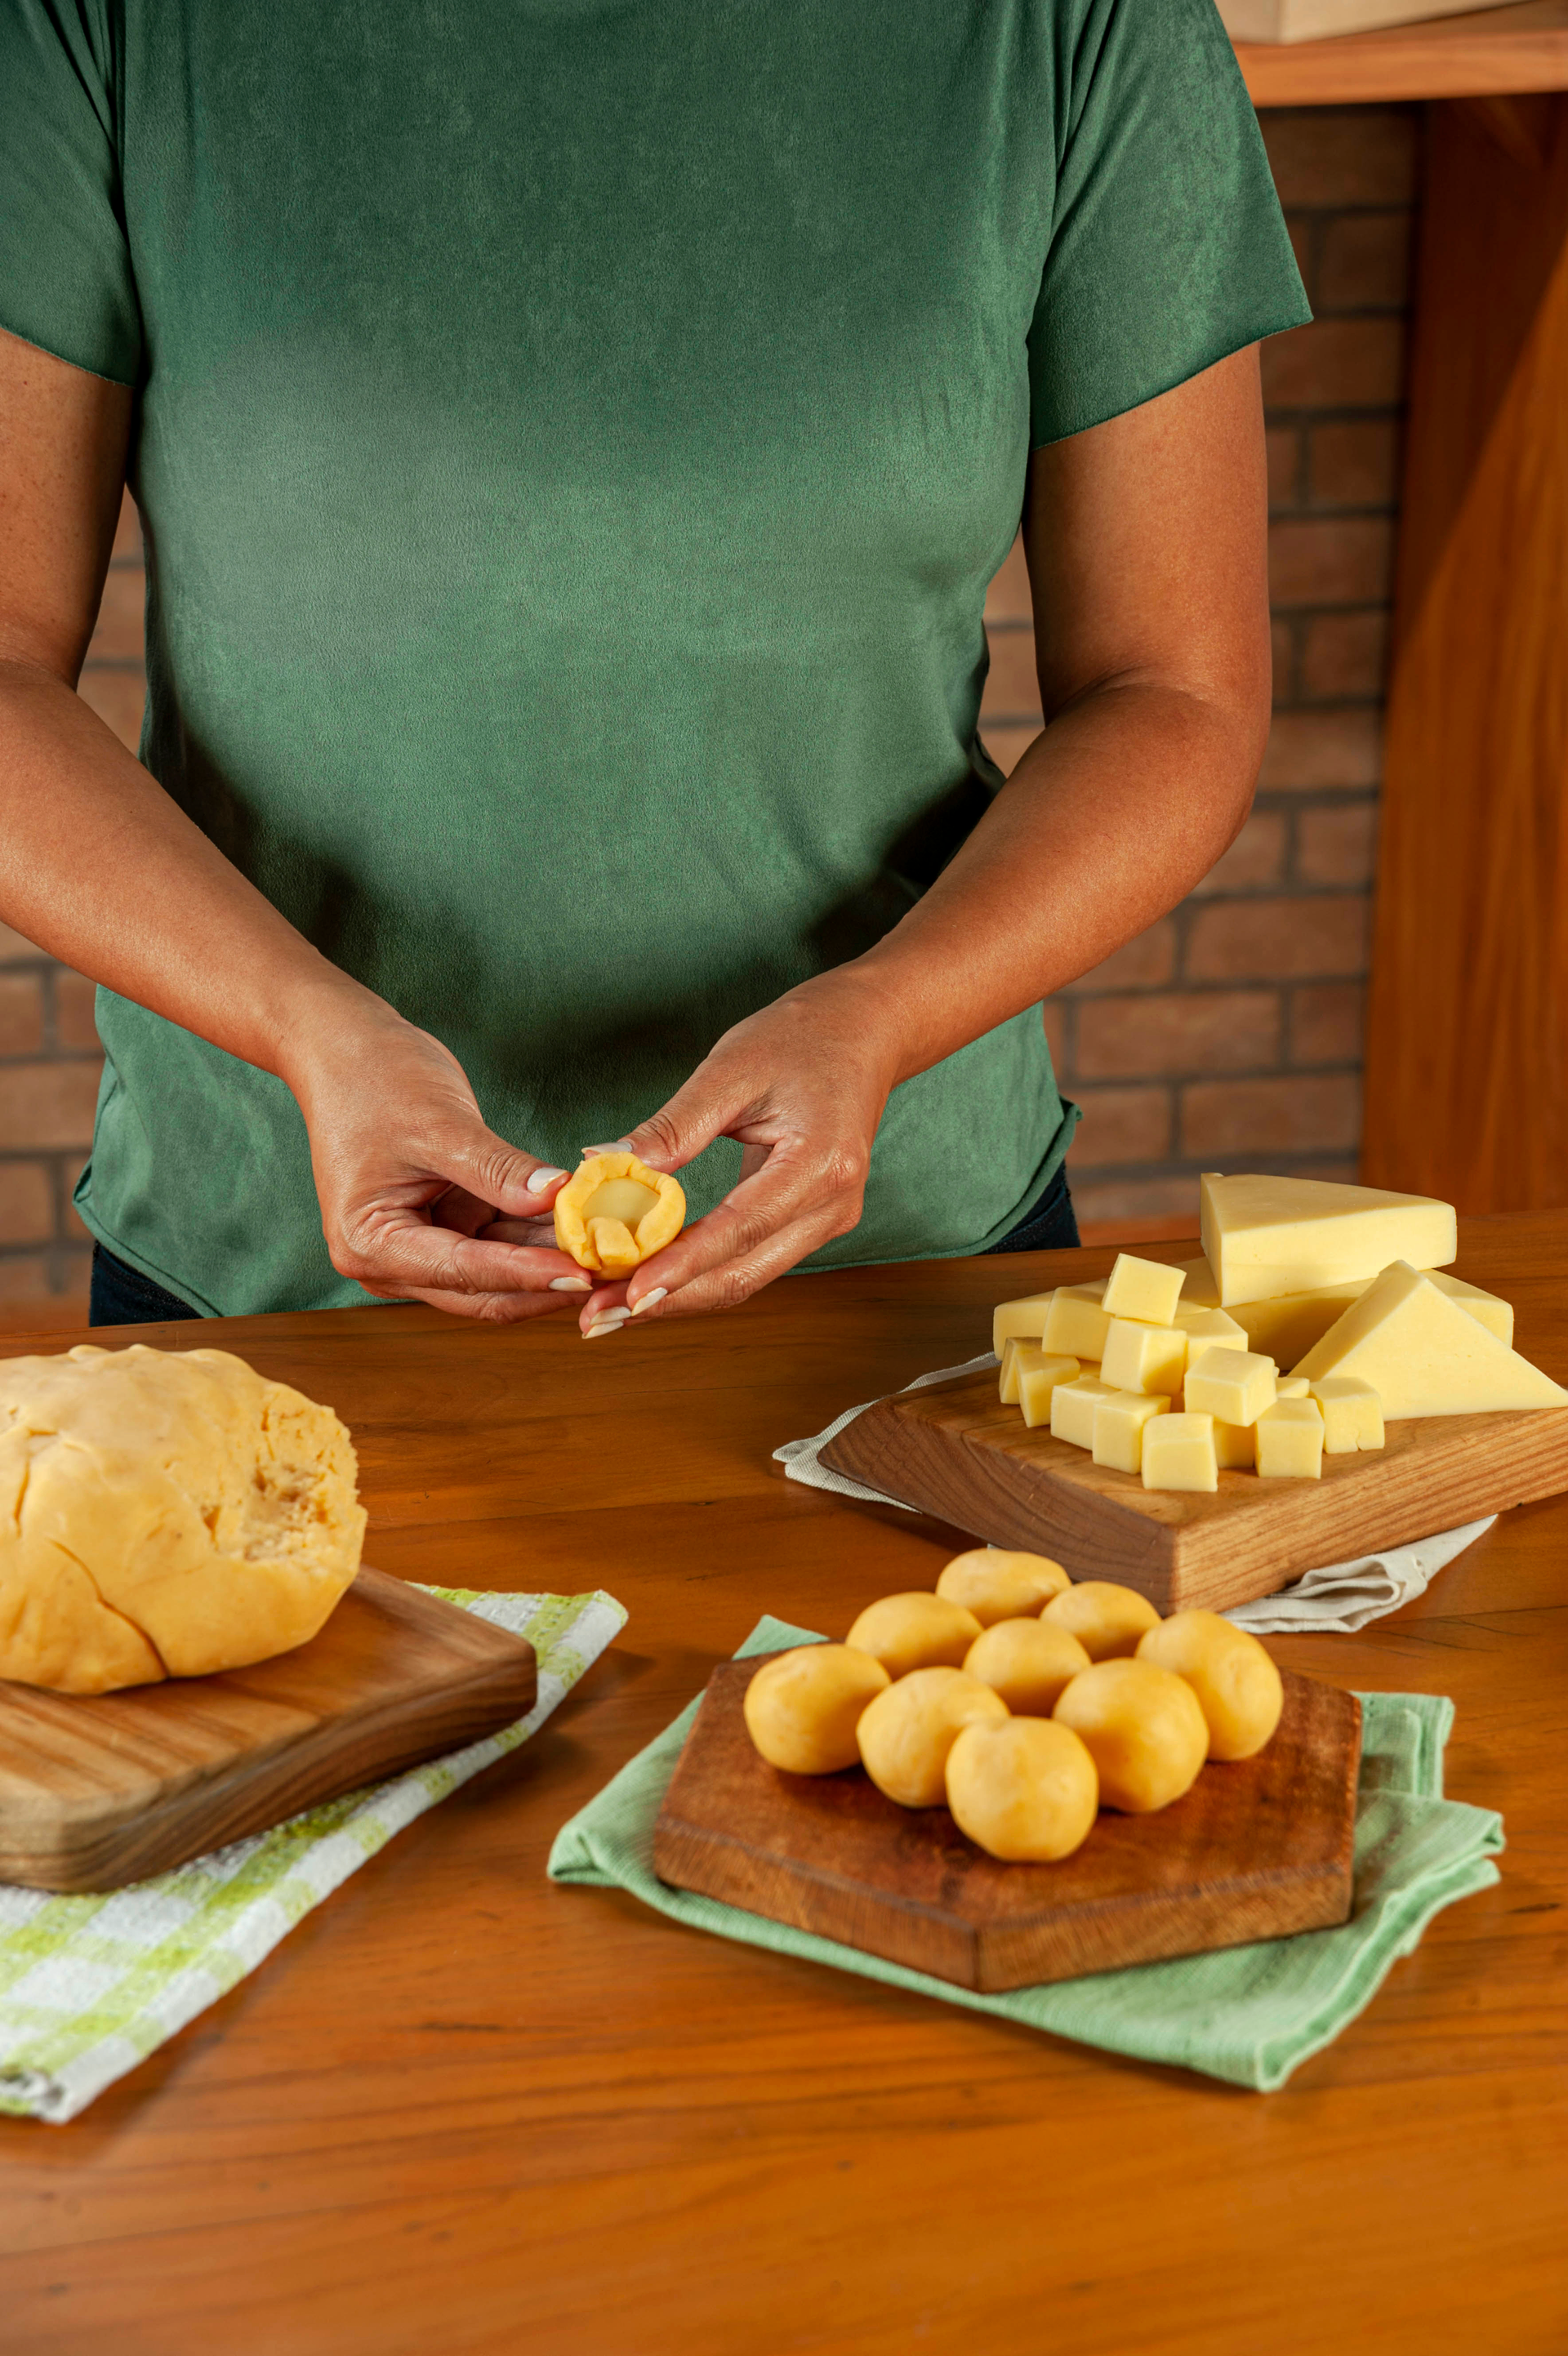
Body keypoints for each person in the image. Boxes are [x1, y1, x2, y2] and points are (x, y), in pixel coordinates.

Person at [0, 0, 1306, 1338]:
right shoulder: (96, 26)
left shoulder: (1087, 27)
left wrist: (884, 1014)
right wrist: (303, 1028)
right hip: (266, 1275)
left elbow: (1174, 693)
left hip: (894, 1278)